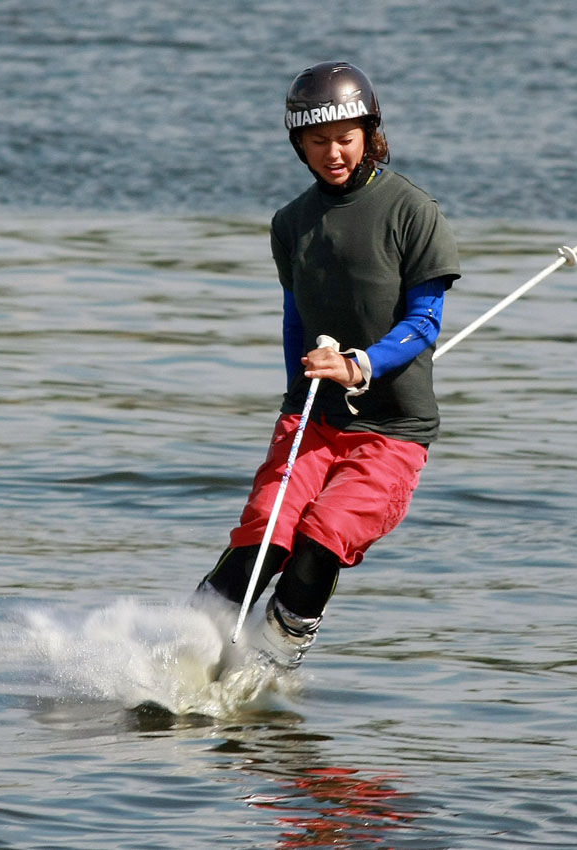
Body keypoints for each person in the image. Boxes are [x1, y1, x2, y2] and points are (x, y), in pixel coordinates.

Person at [196, 60, 461, 670]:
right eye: (318, 142)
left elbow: (424, 325)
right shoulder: (290, 223)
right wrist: (301, 391)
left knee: (320, 539)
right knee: (264, 536)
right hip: (312, 417)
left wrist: (358, 364)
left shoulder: (414, 211)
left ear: (370, 134)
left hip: (391, 429)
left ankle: (269, 663)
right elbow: (296, 317)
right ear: (299, 145)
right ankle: (184, 652)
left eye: (345, 139)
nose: (333, 153)